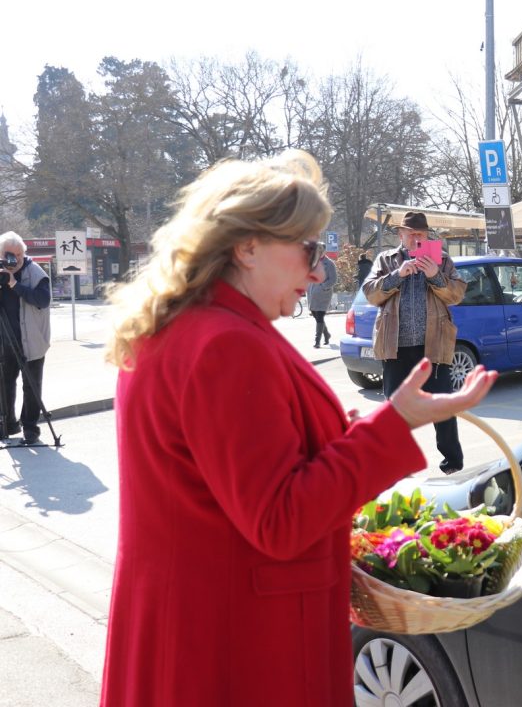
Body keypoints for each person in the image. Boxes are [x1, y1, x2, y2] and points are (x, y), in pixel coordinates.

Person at [100, 151, 496, 707]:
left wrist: (381, 423)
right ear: (247, 245)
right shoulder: (226, 344)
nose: (317, 272)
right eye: (309, 249)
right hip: (239, 649)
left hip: (195, 634)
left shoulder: (180, 327)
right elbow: (280, 519)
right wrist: (395, 425)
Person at [363, 211, 468, 474]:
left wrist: (435, 276)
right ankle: (394, 463)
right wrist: (397, 275)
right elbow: (370, 294)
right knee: (394, 410)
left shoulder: (441, 260)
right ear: (400, 235)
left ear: (427, 235)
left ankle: (452, 463)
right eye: (410, 234)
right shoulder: (387, 260)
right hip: (395, 346)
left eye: (420, 234)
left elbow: (456, 295)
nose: (416, 238)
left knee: (442, 406)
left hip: (433, 346)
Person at [0, 231, 51, 446]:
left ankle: (30, 428)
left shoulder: (35, 272)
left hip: (32, 340)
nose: (16, 259)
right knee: (4, 385)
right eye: (11, 255)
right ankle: (8, 424)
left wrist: (14, 284)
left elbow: (43, 300)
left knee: (32, 386)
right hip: (5, 342)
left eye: (20, 254)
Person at [307, 252, 337, 348]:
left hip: (323, 294)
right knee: (315, 315)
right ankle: (327, 334)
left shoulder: (329, 263)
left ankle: (317, 341)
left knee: (319, 316)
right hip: (312, 292)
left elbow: (333, 279)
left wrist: (323, 286)